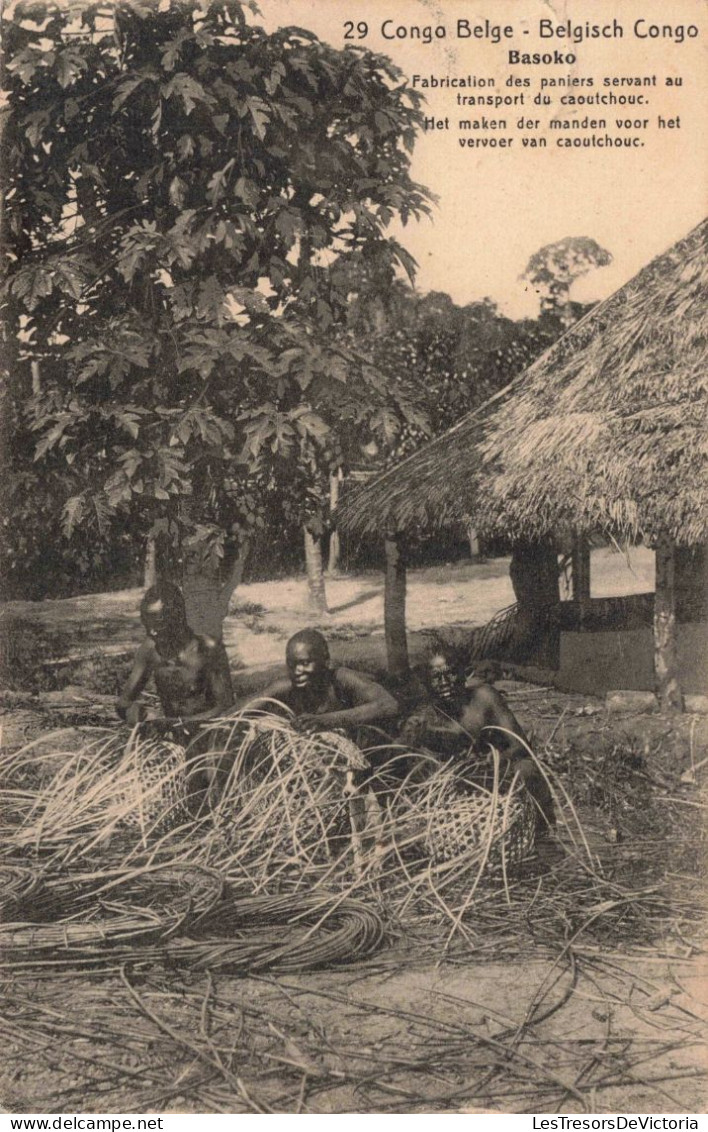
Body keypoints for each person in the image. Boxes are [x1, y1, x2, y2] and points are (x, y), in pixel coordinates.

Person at [399, 646, 555, 834]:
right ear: (428, 683)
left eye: (451, 674)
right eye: (436, 677)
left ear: (464, 674)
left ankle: (541, 829)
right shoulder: (427, 715)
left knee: (526, 769)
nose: (444, 682)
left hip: (497, 772)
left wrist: (494, 760)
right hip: (463, 782)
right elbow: (413, 755)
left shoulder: (484, 698)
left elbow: (519, 744)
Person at [117, 581, 234, 742]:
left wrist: (176, 724)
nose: (152, 632)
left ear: (177, 618)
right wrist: (134, 711)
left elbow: (226, 707)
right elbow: (124, 703)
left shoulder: (207, 649)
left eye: (158, 625)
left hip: (210, 735)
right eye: (147, 625)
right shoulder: (150, 650)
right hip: (172, 739)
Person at [245, 629, 399, 737]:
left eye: (305, 663)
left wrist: (326, 720)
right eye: (292, 664)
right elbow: (236, 714)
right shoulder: (286, 685)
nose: (298, 670)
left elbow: (388, 704)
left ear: (326, 661)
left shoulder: (342, 678)